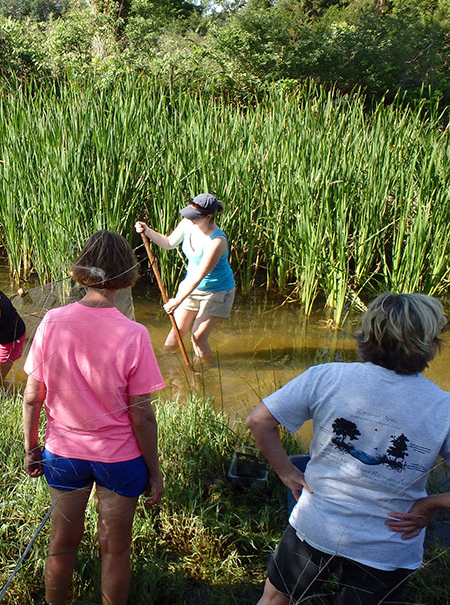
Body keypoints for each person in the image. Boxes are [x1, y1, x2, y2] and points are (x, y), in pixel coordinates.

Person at [246, 292, 450, 605]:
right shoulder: (443, 408)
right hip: (389, 542)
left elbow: (259, 421)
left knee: (275, 598)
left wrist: (287, 471)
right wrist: (430, 504)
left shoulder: (327, 376)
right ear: (431, 345)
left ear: (367, 334)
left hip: (316, 522)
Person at [22, 230, 165, 605]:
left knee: (61, 544)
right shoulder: (135, 334)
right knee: (115, 551)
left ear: (81, 270)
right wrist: (154, 471)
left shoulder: (52, 322)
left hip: (64, 454)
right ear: (126, 275)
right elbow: (142, 415)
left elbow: (32, 397)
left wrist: (31, 448)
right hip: (120, 461)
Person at [134, 192, 235, 361]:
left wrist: (177, 300)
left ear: (209, 217)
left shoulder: (217, 241)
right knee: (177, 331)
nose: (190, 219)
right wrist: (148, 231)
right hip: (191, 287)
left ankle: (205, 375)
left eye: (195, 216)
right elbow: (168, 243)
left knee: (197, 338)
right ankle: (167, 364)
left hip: (217, 291)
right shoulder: (187, 224)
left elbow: (200, 275)